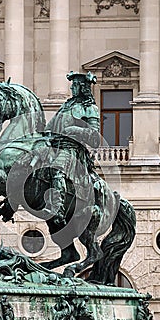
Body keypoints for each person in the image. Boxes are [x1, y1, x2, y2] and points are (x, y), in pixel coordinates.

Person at [44, 71, 101, 226]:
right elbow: (49, 128)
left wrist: (76, 130)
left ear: (83, 87)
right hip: (55, 147)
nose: (72, 88)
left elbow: (95, 138)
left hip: (73, 151)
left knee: (57, 169)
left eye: (76, 85)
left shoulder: (89, 108)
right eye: (72, 85)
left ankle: (58, 208)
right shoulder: (65, 107)